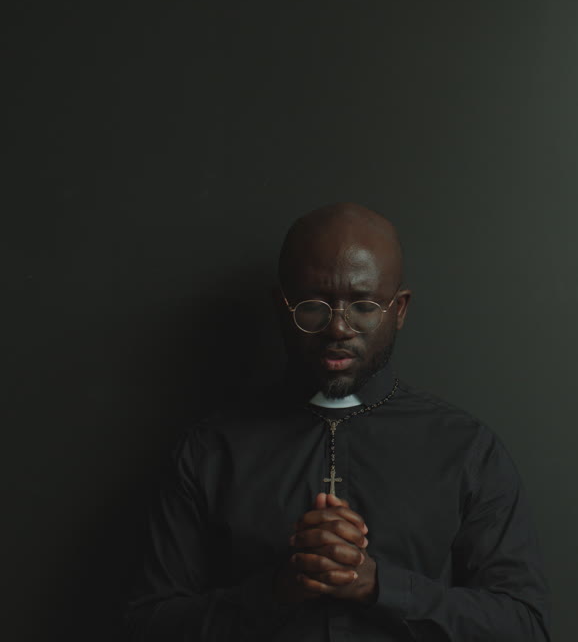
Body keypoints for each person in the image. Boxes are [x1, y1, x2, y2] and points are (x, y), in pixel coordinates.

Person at [126, 203, 551, 641]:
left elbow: (524, 627)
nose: (338, 328)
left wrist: (378, 585)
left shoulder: (466, 450)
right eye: (314, 305)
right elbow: (147, 626)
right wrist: (276, 591)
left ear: (399, 309)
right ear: (281, 306)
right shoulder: (211, 450)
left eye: (364, 305)